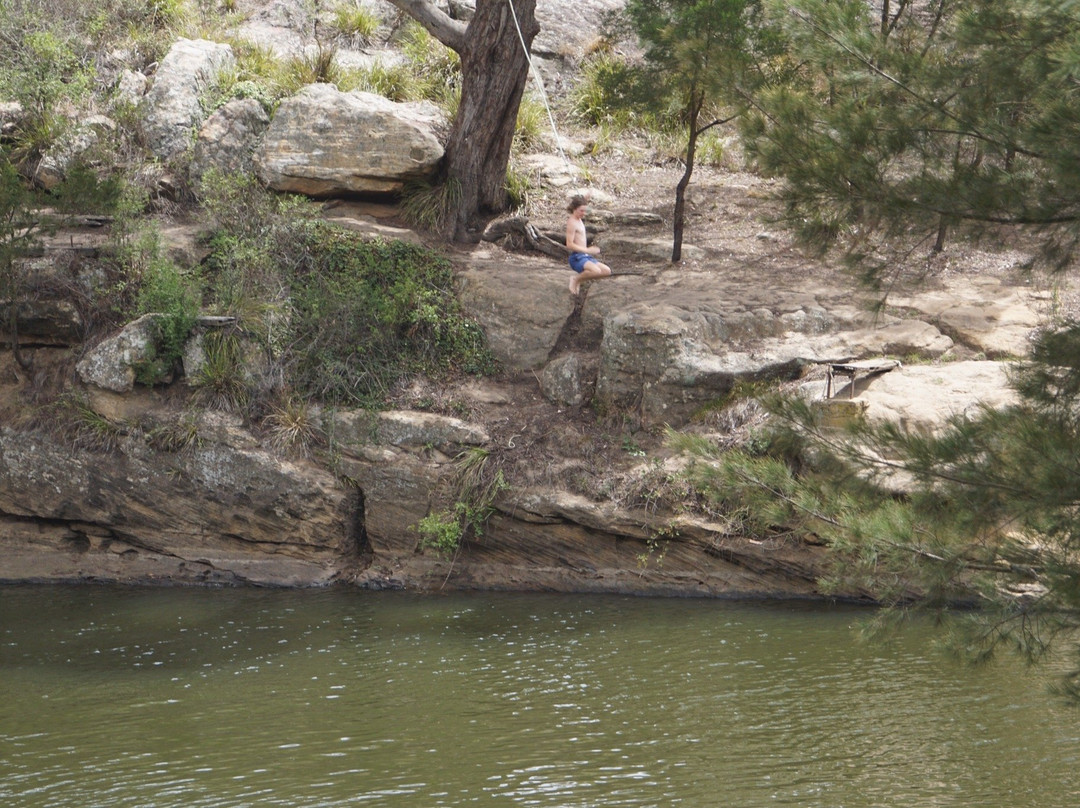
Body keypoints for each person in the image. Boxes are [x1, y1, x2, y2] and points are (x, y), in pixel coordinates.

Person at [565, 193, 612, 296]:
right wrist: (587, 250)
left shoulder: (578, 218)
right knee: (596, 271)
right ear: (574, 209)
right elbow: (569, 244)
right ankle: (575, 280)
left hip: (585, 256)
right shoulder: (572, 222)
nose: (584, 213)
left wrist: (585, 198)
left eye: (585, 210)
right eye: (581, 211)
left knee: (606, 271)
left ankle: (581, 279)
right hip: (577, 257)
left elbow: (580, 203)